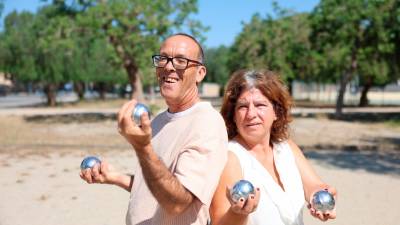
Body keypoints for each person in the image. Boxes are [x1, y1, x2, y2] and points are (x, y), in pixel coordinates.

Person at [80, 33, 228, 225]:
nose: (168, 66)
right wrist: (115, 177)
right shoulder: (159, 121)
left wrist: (143, 148)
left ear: (200, 73)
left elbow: (178, 202)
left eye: (181, 61)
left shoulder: (207, 123)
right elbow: (155, 187)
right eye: (163, 58)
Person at [210, 69, 337, 225]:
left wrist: (322, 196)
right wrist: (239, 213)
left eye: (260, 105)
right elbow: (219, 221)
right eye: (242, 106)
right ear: (233, 116)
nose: (251, 114)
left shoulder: (286, 147)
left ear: (276, 112)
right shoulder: (230, 157)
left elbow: (314, 186)